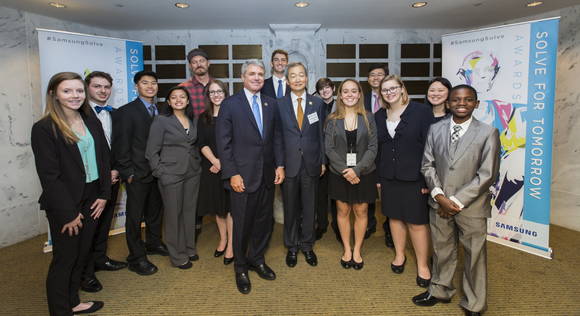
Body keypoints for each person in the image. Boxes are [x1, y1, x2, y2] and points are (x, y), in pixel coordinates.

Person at [412, 85, 500, 316]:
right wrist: (439, 196)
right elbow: (427, 165)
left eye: (468, 99)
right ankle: (440, 290)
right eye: (456, 100)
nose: (462, 103)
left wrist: (456, 201)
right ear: (448, 103)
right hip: (438, 204)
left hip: (471, 207)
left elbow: (487, 173)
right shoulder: (435, 129)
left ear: (476, 104)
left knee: (474, 255)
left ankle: (474, 303)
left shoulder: (487, 132)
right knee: (442, 250)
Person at [31, 72, 111, 315]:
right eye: (68, 91)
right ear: (54, 94)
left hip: (93, 195)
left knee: (82, 254)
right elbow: (49, 176)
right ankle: (60, 309)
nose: (75, 96)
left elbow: (103, 157)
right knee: (65, 259)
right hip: (65, 201)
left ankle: (73, 301)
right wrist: (68, 213)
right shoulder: (44, 128)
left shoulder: (89, 118)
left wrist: (104, 193)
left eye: (78, 91)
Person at [216, 59, 285, 294]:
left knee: (264, 222)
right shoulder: (230, 104)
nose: (256, 77)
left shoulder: (270, 103)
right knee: (243, 224)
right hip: (242, 177)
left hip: (267, 175)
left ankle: (257, 259)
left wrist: (280, 165)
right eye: (252, 73)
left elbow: (276, 138)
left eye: (260, 73)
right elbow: (223, 144)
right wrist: (232, 173)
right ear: (243, 77)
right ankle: (241, 267)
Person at [375, 75, 434, 287]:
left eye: (393, 88)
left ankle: (423, 265)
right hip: (389, 177)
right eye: (384, 90)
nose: (389, 92)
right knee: (394, 218)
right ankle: (400, 255)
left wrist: (429, 181)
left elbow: (431, 147)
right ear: (380, 93)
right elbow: (379, 150)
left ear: (402, 89)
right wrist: (379, 178)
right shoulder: (379, 115)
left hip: (415, 177)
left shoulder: (420, 112)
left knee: (417, 222)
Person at [113, 70, 168, 276]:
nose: (150, 86)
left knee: (155, 212)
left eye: (153, 83)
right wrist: (128, 172)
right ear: (136, 86)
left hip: (158, 172)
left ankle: (153, 243)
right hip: (137, 173)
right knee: (135, 218)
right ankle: (136, 257)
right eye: (145, 83)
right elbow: (121, 145)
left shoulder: (161, 110)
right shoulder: (125, 112)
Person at [80, 71, 127, 294]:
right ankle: (85, 274)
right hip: (91, 181)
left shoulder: (115, 114)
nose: (102, 91)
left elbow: (118, 146)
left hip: (113, 177)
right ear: (87, 88)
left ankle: (100, 259)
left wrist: (116, 169)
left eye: (107, 87)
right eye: (97, 86)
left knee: (104, 222)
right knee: (89, 228)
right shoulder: (78, 115)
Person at [145, 86, 202, 269]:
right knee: (173, 215)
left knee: (188, 212)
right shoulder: (161, 121)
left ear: (187, 101)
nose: (178, 100)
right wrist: (160, 173)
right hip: (170, 174)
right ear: (168, 102)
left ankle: (189, 248)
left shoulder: (191, 119)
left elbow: (191, 146)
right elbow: (151, 152)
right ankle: (177, 256)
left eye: (182, 97)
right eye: (174, 97)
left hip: (192, 172)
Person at [325, 79, 377, 270]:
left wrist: (357, 170)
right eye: (345, 91)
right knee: (343, 211)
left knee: (361, 211)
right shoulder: (332, 119)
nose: (349, 95)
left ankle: (357, 250)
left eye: (353, 91)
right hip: (339, 174)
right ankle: (347, 249)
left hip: (364, 172)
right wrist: (346, 171)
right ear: (340, 95)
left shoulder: (368, 117)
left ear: (359, 94)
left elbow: (373, 147)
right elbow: (329, 149)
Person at [277, 63, 325, 268]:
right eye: (293, 76)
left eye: (301, 75)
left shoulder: (318, 103)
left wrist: (323, 160)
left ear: (307, 78)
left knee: (309, 207)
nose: (297, 79)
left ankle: (307, 245)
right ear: (287, 81)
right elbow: (277, 137)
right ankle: (292, 246)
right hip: (289, 165)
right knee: (290, 207)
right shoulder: (278, 104)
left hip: (311, 163)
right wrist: (279, 164)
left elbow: (321, 136)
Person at [197, 79, 234, 265]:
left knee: (230, 209)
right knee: (218, 209)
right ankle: (223, 239)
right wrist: (214, 161)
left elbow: (238, 143)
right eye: (212, 92)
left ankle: (231, 245)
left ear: (225, 93)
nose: (216, 95)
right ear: (208, 96)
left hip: (231, 168)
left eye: (219, 91)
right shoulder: (203, 118)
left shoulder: (234, 114)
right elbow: (201, 143)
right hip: (211, 168)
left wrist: (224, 163)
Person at [363, 63, 392, 246]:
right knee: (368, 190)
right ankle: (370, 223)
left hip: (387, 151)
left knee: (388, 191)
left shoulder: (392, 97)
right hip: (366, 151)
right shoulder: (362, 98)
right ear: (368, 79)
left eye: (380, 74)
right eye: (372, 75)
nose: (376, 78)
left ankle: (390, 228)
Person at [313, 78, 338, 241]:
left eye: (327, 87)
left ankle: (337, 225)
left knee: (337, 195)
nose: (325, 91)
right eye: (321, 89)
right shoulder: (314, 106)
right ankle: (321, 224)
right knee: (320, 195)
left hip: (337, 157)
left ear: (333, 89)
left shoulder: (342, 105)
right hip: (320, 157)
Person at [179, 48, 213, 116]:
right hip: (193, 126)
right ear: (190, 66)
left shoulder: (218, 86)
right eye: (194, 62)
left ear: (208, 63)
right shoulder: (183, 88)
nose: (199, 65)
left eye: (202, 61)